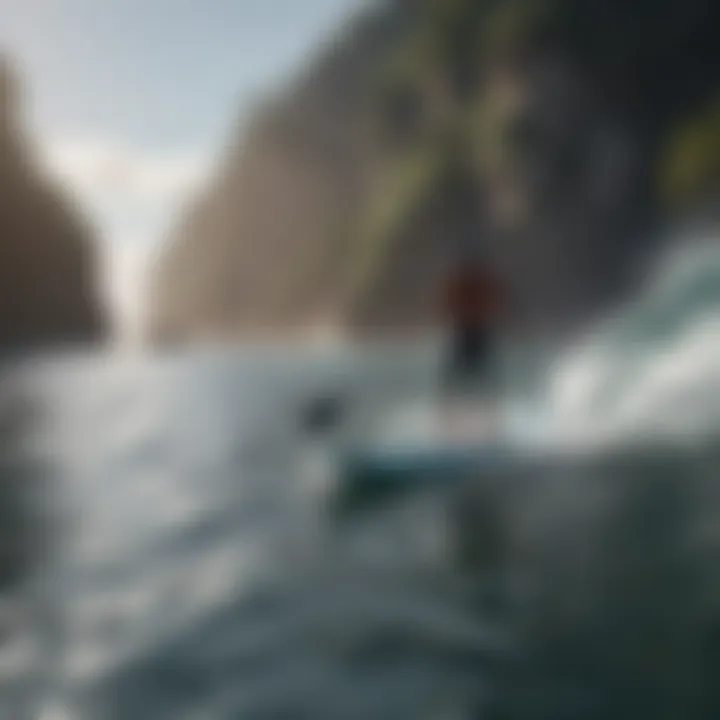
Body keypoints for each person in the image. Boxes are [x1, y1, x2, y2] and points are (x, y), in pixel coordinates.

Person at [442, 255, 508, 409]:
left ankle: (490, 402)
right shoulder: (466, 285)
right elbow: (451, 302)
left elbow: (493, 301)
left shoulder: (475, 285)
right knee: (463, 368)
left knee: (479, 368)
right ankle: (451, 403)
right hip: (468, 330)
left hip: (475, 329)